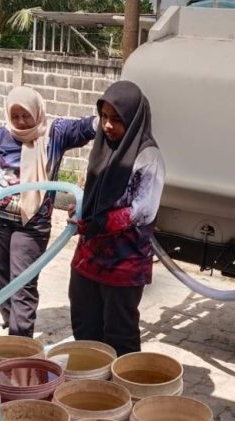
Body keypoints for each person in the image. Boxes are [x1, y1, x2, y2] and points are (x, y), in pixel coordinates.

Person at [0, 86, 97, 338]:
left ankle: (20, 344)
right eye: (15, 116)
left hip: (32, 225)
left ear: (37, 111)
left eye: (26, 115)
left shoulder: (54, 134)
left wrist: (104, 120)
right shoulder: (1, 135)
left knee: (22, 283)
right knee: (1, 281)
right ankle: (14, 331)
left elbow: (84, 128)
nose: (21, 122)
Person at [68, 80, 165, 357]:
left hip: (124, 262)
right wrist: (81, 213)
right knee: (85, 326)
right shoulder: (104, 147)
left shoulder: (148, 157)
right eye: (104, 117)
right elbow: (93, 193)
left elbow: (142, 210)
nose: (107, 125)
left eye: (116, 119)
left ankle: (125, 394)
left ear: (133, 119)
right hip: (89, 257)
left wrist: (98, 223)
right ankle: (90, 389)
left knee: (119, 335)